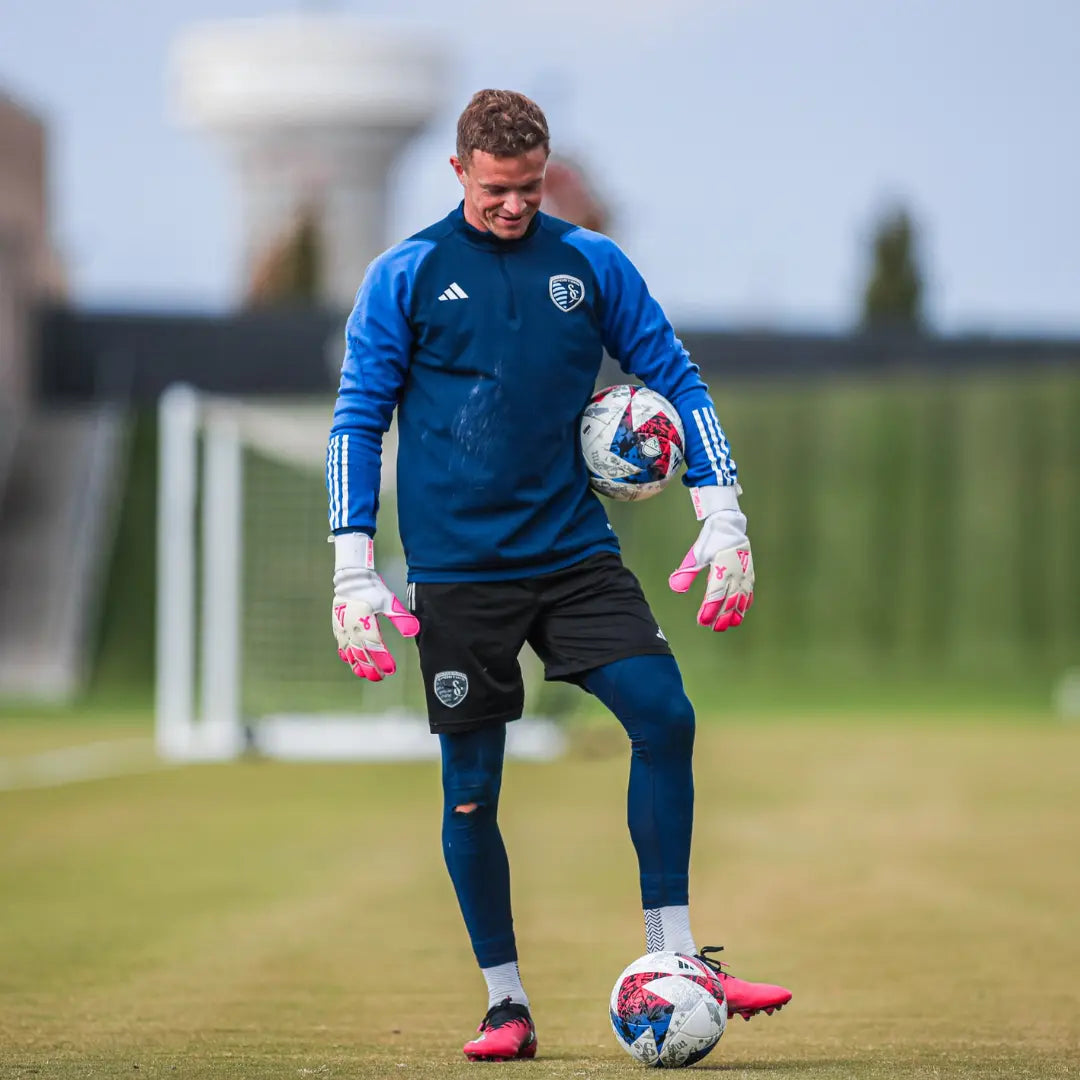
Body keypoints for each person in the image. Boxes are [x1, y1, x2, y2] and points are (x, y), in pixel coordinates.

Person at [325, 89, 792, 1062]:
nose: (515, 206)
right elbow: (357, 420)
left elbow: (677, 377)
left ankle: (678, 960)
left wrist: (724, 513)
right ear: (459, 173)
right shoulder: (404, 274)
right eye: (497, 189)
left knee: (665, 718)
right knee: (471, 790)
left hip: (576, 557)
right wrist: (352, 573)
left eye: (531, 187)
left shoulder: (593, 264)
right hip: (458, 578)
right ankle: (506, 1005)